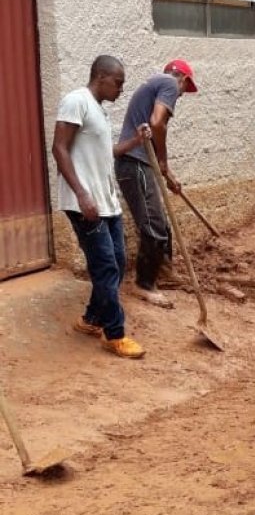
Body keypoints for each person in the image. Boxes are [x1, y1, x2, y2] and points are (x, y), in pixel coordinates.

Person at [52, 55, 146, 359]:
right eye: (118, 83)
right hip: (85, 203)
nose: (120, 90)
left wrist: (135, 140)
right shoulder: (75, 100)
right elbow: (59, 148)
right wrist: (81, 194)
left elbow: (109, 153)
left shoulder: (99, 113)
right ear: (101, 76)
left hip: (106, 203)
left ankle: (91, 320)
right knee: (106, 267)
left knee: (117, 263)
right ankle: (114, 334)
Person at [115, 59, 198, 309]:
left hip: (139, 163)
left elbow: (152, 129)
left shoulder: (155, 83)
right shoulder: (170, 84)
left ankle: (164, 271)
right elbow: (157, 122)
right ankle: (144, 284)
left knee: (162, 224)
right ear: (182, 78)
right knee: (153, 227)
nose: (181, 95)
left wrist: (166, 172)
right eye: (185, 88)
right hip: (135, 163)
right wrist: (162, 160)